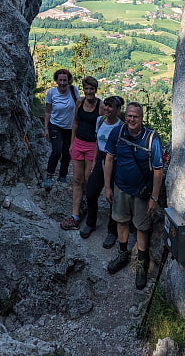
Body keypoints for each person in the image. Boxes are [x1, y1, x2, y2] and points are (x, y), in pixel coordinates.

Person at [103, 102, 163, 289]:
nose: (131, 119)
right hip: (121, 187)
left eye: (135, 116)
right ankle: (122, 253)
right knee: (121, 221)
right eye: (129, 115)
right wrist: (107, 186)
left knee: (141, 227)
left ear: (141, 118)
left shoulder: (151, 138)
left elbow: (158, 171)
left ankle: (141, 263)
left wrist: (154, 198)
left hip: (141, 192)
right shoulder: (118, 133)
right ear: (125, 115)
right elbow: (109, 159)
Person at [79, 95, 124, 247]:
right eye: (106, 105)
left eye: (111, 106)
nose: (107, 108)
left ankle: (112, 231)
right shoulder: (99, 121)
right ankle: (91, 223)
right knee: (91, 192)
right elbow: (98, 142)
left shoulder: (121, 127)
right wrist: (94, 162)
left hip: (115, 162)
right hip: (100, 160)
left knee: (112, 197)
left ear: (118, 110)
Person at [60, 77, 102, 230]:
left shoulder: (101, 106)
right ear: (83, 89)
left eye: (92, 89)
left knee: (88, 179)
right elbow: (75, 122)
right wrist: (71, 143)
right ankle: (75, 214)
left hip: (92, 146)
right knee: (77, 180)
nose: (89, 92)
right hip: (78, 143)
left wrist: (98, 151)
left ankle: (89, 212)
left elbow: (101, 130)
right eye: (86, 89)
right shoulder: (79, 102)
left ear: (95, 90)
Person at [43, 69, 79, 189]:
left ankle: (62, 175)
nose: (63, 83)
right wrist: (46, 128)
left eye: (65, 80)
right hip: (55, 125)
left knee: (67, 151)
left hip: (70, 127)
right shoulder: (52, 93)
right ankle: (49, 175)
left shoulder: (74, 91)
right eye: (60, 80)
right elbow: (48, 111)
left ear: (68, 81)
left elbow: (79, 107)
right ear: (56, 80)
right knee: (57, 150)